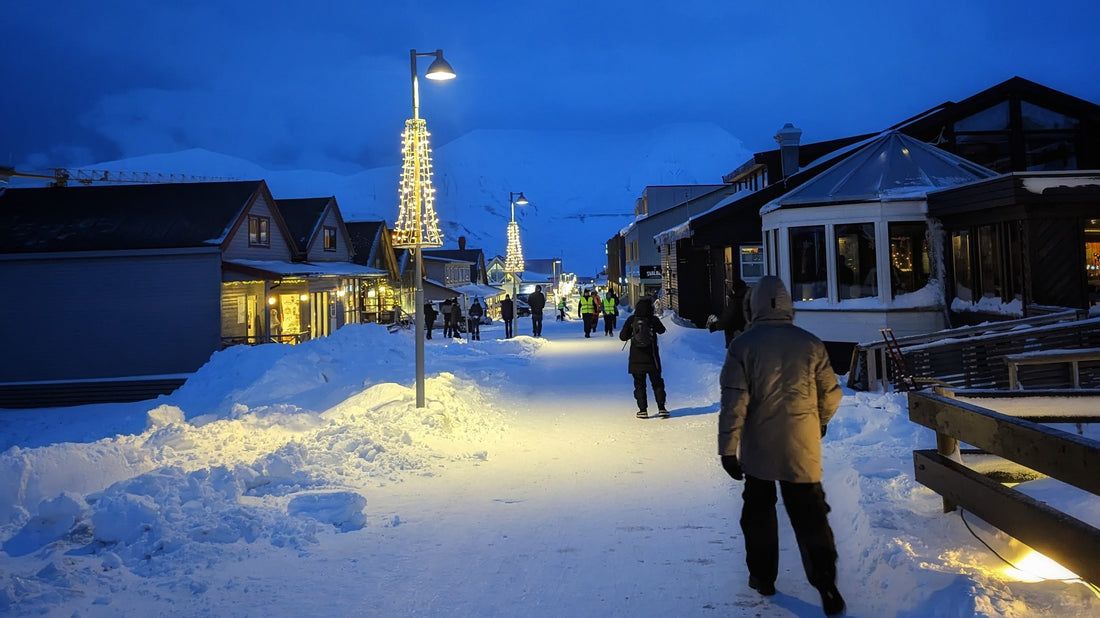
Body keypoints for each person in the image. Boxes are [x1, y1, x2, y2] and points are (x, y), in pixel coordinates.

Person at [717, 276, 845, 616]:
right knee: (811, 515)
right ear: (787, 304)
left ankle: (763, 577)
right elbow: (831, 393)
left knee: (758, 512)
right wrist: (819, 422)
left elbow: (734, 402)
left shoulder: (743, 346)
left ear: (754, 305)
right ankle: (826, 582)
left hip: (759, 447)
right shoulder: (811, 344)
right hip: (802, 446)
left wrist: (728, 449)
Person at [618, 295, 667, 418]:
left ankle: (643, 410)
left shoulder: (631, 320)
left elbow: (622, 337)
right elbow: (662, 330)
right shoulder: (653, 320)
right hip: (652, 358)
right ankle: (662, 408)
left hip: (636, 359)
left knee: (639, 384)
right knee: (657, 383)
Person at [707, 279, 749, 348]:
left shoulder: (736, 302)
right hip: (752, 333)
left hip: (737, 335)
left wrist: (715, 326)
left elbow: (727, 319)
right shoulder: (752, 298)